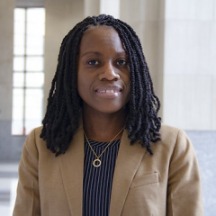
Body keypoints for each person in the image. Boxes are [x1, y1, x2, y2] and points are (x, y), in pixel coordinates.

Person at [13, 14, 204, 216]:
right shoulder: (41, 145)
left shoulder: (172, 145)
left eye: (121, 62)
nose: (110, 73)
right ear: (71, 72)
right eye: (93, 62)